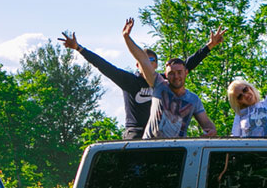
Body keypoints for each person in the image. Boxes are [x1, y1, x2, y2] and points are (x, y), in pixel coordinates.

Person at [60, 21, 225, 140]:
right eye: (146, 61)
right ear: (138, 65)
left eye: (153, 60)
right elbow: (106, 67)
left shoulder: (172, 85)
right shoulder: (145, 82)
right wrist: (80, 49)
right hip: (137, 134)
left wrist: (209, 46)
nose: (149, 63)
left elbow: (186, 65)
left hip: (171, 141)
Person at [122, 17, 217, 139]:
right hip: (150, 147)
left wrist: (211, 130)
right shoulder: (159, 85)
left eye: (179, 72)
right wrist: (126, 37)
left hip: (177, 150)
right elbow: (143, 59)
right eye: (171, 73)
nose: (176, 76)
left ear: (186, 72)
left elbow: (206, 123)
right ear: (166, 75)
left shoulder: (193, 99)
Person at [228, 24, 267, 138]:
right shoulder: (240, 115)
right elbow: (234, 140)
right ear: (239, 102)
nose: (245, 95)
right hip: (248, 154)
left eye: (245, 90)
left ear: (250, 88)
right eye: (240, 96)